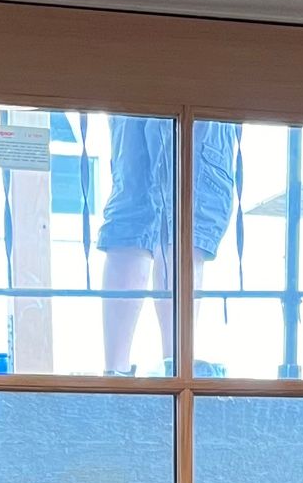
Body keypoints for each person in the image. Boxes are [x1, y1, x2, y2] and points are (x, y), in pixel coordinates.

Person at [99, 116, 240, 374]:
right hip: (198, 98)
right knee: (188, 216)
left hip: (129, 98)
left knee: (134, 212)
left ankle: (118, 374)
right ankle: (176, 369)